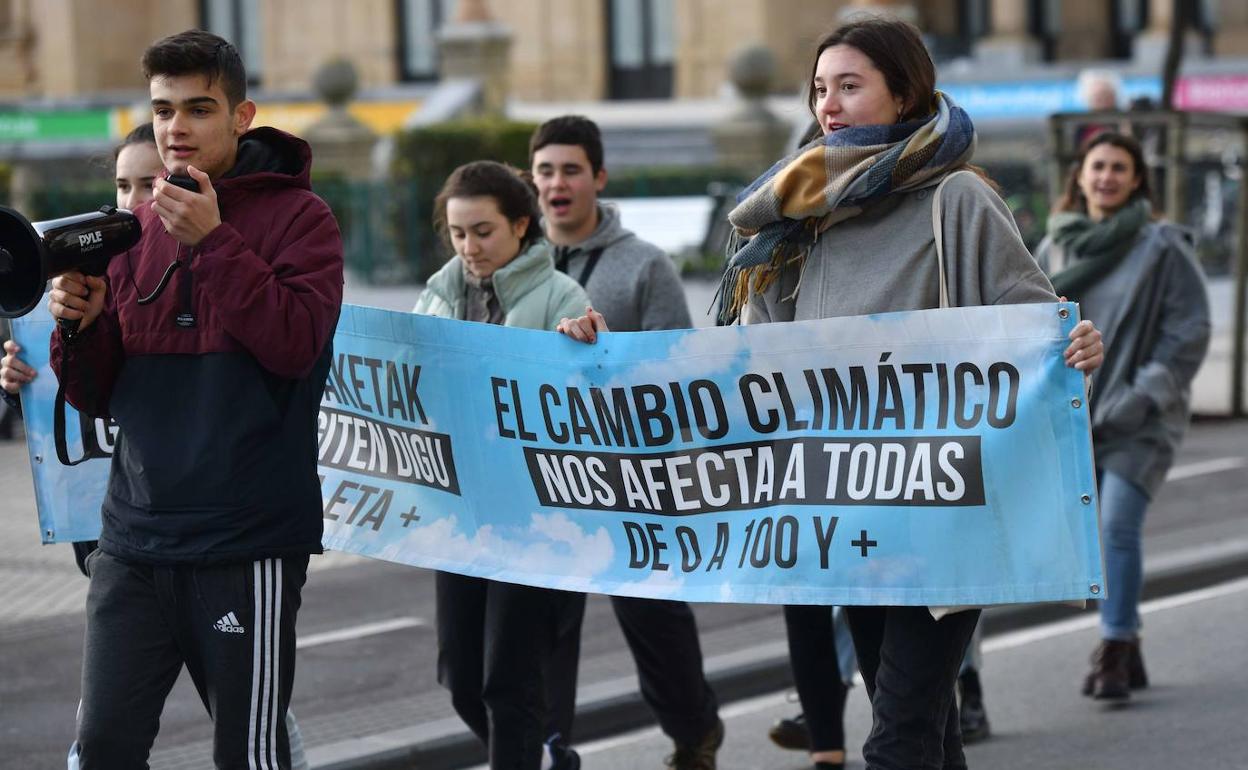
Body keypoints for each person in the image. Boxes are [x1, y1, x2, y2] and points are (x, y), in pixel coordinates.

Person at [560, 16, 1104, 770]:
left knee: (895, 742)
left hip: (945, 513)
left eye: (850, 86)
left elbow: (1030, 328)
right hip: (853, 515)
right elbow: (746, 363)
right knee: (917, 722)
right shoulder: (799, 218)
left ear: (904, 93)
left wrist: (1075, 345)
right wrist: (606, 352)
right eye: (821, 88)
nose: (829, 105)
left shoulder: (958, 201)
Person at [46, 29, 343, 769]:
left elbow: (296, 346)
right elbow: (94, 394)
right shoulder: (134, 229)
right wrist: (78, 329)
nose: (175, 129)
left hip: (245, 543)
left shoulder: (303, 220)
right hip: (134, 541)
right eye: (162, 110)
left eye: (198, 108)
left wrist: (214, 243)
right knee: (104, 746)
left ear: (241, 117)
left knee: (250, 757)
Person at [529, 115, 724, 770]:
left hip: (634, 480)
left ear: (598, 178)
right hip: (547, 481)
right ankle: (550, 746)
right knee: (546, 627)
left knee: (654, 624)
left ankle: (695, 731)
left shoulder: (645, 266)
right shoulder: (516, 263)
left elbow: (678, 371)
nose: (558, 183)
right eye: (546, 170)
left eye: (571, 169)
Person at [415, 160, 588, 770]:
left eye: (483, 231)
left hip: (532, 518)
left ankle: (529, 755)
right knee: (460, 677)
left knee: (508, 683)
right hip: (460, 515)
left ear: (521, 226)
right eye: (458, 233)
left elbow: (584, 396)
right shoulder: (436, 295)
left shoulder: (562, 297)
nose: (469, 247)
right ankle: (545, 758)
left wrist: (582, 347)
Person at [1035, 131, 1210, 701]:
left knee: (1116, 526)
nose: (1106, 176)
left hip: (1140, 418)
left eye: (1119, 168)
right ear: (1079, 176)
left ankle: (1112, 647)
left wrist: (1142, 395)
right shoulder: (1054, 248)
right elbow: (1026, 324)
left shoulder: (1162, 245)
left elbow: (1189, 331)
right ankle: (1129, 644)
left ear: (1137, 180)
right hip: (1073, 421)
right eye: (1097, 166)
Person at [2, 122, 162, 576]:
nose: (133, 202)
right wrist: (22, 390)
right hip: (102, 522)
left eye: (151, 184)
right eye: (123, 185)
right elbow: (85, 396)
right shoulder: (90, 276)